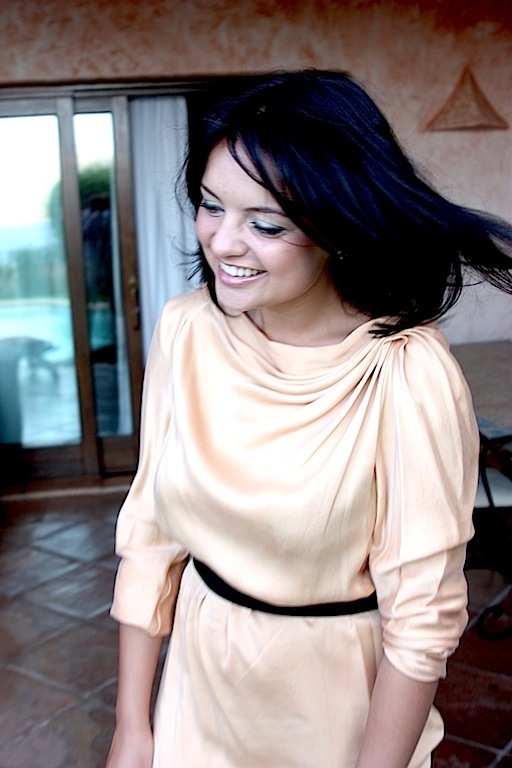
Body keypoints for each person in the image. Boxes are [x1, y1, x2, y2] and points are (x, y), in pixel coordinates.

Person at [106, 69, 512, 768]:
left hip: (333, 708)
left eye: (265, 224)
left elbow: (421, 622)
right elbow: (150, 533)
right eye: (210, 206)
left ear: (337, 227)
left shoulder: (404, 371)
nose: (223, 242)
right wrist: (131, 726)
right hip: (197, 689)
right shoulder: (186, 330)